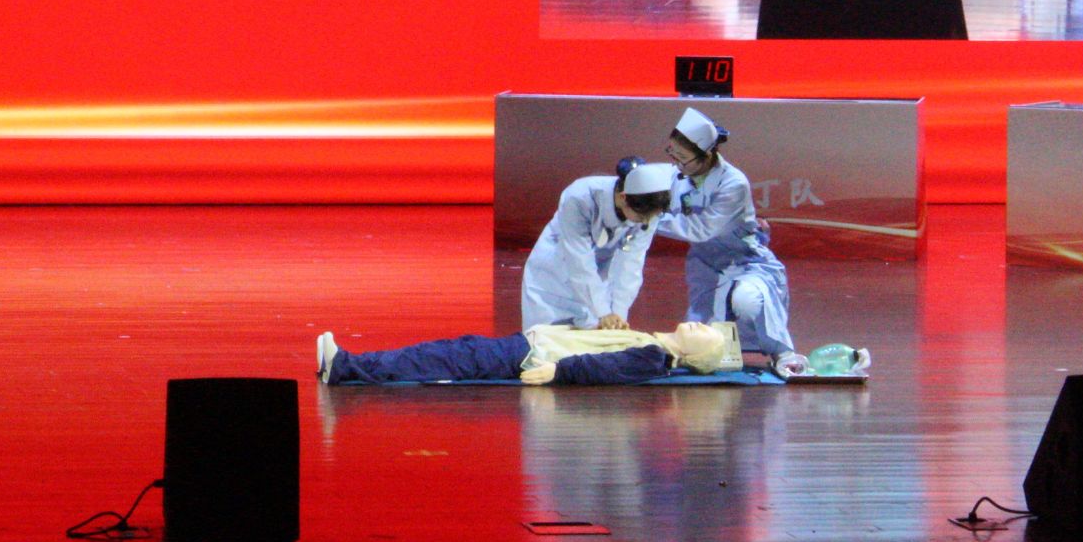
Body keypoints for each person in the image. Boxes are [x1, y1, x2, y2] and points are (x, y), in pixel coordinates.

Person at [652, 108, 807, 377]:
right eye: (672, 153)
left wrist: (650, 219)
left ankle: (782, 353)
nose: (676, 163)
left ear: (706, 155)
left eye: (683, 158)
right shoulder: (676, 175)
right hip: (706, 266)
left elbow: (701, 229)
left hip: (745, 260)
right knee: (700, 344)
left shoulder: (733, 183)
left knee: (748, 301)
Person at [316, 319, 731, 386]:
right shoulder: (650, 345)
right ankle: (349, 365)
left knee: (441, 357)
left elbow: (604, 366)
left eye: (706, 336)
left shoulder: (653, 357)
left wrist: (560, 372)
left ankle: (347, 366)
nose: (701, 326)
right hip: (529, 346)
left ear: (694, 358)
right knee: (446, 352)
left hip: (529, 354)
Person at [521, 161, 677, 330]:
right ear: (623, 197)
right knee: (546, 339)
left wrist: (618, 312)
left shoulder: (648, 211)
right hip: (553, 280)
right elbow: (578, 258)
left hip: (598, 284)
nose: (646, 223)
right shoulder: (580, 197)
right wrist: (603, 312)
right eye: (641, 218)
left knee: (597, 337)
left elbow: (632, 263)